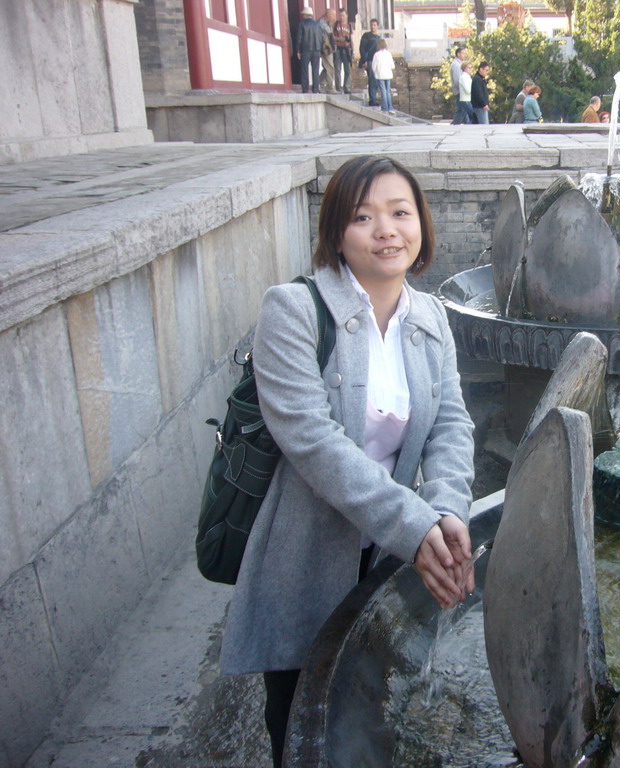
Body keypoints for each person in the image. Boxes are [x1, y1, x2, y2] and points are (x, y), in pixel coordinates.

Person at [219, 155, 476, 768]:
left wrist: (446, 508)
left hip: (386, 552)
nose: (386, 230)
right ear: (337, 232)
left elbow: (451, 423)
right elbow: (311, 440)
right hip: (304, 554)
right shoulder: (293, 310)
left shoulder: (431, 317)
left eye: (400, 212)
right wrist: (415, 527)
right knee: (301, 718)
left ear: (421, 225)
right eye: (363, 217)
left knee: (371, 705)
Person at [294, 7, 323, 94]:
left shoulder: (302, 24)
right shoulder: (318, 25)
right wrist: (320, 49)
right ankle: (315, 89)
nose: (302, 16)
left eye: (303, 14)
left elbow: (299, 38)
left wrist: (298, 50)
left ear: (306, 15)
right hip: (317, 50)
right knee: (315, 70)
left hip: (305, 50)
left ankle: (305, 89)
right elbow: (321, 38)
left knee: (304, 70)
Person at [359, 18, 381, 107]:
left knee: (376, 81)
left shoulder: (378, 38)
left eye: (374, 25)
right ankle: (373, 100)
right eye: (371, 25)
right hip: (369, 60)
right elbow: (362, 48)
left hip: (376, 61)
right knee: (372, 80)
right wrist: (364, 60)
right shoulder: (366, 36)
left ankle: (374, 98)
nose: (373, 27)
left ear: (377, 26)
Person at [372, 39, 395, 113]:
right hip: (388, 75)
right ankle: (390, 108)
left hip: (380, 75)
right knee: (388, 91)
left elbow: (373, 66)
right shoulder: (388, 54)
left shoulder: (376, 55)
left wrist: (375, 71)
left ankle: (384, 108)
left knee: (383, 91)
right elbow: (392, 66)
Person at [318, 9, 337, 94]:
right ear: (328, 15)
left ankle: (320, 84)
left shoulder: (327, 23)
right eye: (333, 15)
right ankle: (330, 87)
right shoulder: (321, 23)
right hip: (326, 48)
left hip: (329, 48)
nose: (334, 18)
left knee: (327, 68)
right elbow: (325, 37)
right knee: (330, 67)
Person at [333, 16, 353, 93]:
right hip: (337, 49)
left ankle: (347, 87)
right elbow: (332, 36)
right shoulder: (335, 25)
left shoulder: (349, 26)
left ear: (346, 16)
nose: (342, 17)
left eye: (343, 15)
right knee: (337, 69)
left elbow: (351, 38)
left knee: (347, 69)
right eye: (340, 15)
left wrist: (352, 50)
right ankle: (338, 87)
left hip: (347, 49)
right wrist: (339, 39)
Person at [449, 46, 467, 121]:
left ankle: (469, 126)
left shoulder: (460, 64)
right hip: (460, 92)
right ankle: (454, 125)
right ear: (458, 54)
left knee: (465, 111)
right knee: (461, 110)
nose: (465, 55)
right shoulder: (456, 65)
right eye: (463, 53)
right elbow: (457, 80)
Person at [454, 61, 475, 125]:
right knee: (472, 116)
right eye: (469, 68)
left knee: (467, 117)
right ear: (465, 68)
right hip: (466, 100)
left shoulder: (467, 77)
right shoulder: (464, 77)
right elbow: (468, 90)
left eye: (471, 67)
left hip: (467, 100)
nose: (470, 69)